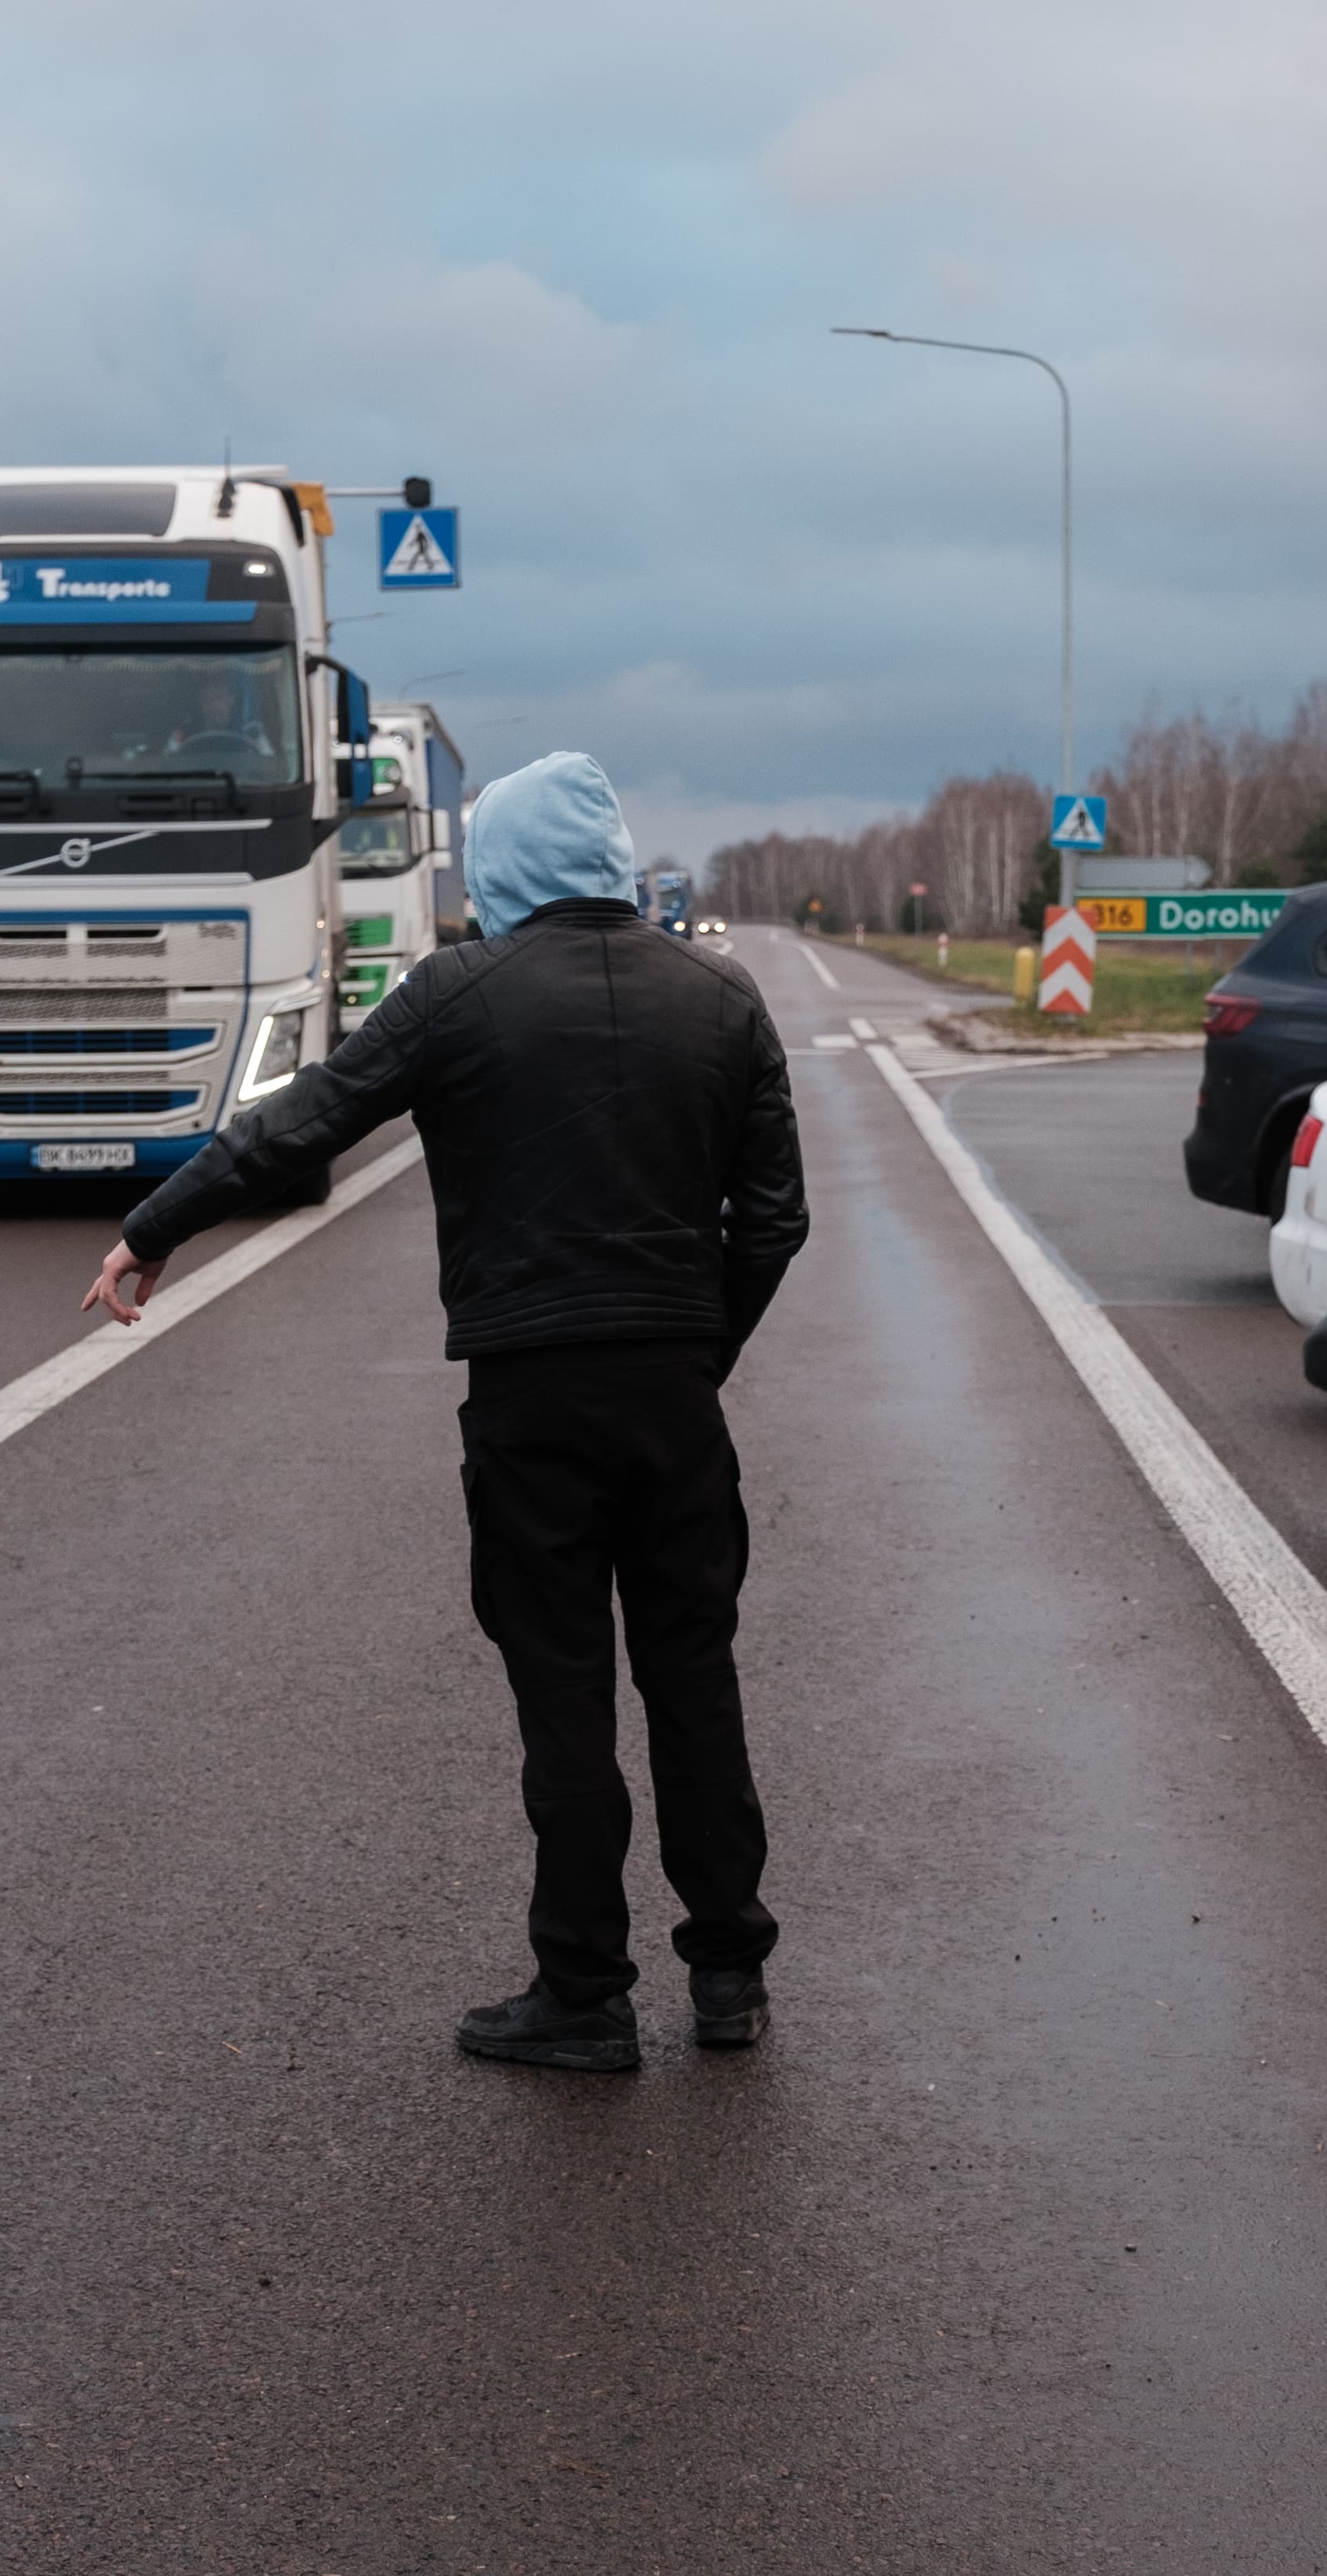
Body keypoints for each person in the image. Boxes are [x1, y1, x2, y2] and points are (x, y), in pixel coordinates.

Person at [79, 752, 807, 2074]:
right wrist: (704, 1346)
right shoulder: (724, 1000)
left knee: (564, 1687)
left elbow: (302, 1124)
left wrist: (155, 1228)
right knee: (695, 1674)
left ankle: (583, 1992)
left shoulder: (457, 995)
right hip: (673, 1398)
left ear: (503, 864)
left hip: (530, 1399)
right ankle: (729, 1975)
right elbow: (775, 1219)